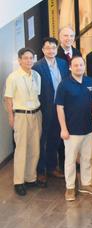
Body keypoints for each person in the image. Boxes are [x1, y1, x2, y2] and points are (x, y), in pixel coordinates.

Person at [56, 56, 92, 201]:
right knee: (70, 160)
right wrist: (63, 128)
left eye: (81, 65)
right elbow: (60, 108)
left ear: (84, 66)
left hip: (88, 128)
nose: (79, 68)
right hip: (71, 131)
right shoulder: (64, 85)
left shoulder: (90, 82)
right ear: (70, 67)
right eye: (75, 65)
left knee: (87, 158)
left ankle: (86, 184)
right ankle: (70, 187)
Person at [4, 48, 43, 196]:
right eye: (25, 58)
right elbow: (8, 99)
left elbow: (37, 95)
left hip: (36, 114)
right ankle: (19, 181)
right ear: (19, 60)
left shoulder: (36, 75)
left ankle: (30, 178)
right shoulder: (13, 77)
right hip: (21, 115)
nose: (28, 61)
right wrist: (11, 117)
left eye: (31, 58)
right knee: (21, 149)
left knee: (35, 148)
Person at [33, 38, 68, 186]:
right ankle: (41, 170)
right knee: (43, 140)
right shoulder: (37, 67)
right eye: (48, 48)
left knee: (55, 138)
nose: (51, 51)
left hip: (61, 107)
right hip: (45, 108)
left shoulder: (63, 63)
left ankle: (52, 167)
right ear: (42, 50)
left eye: (53, 48)